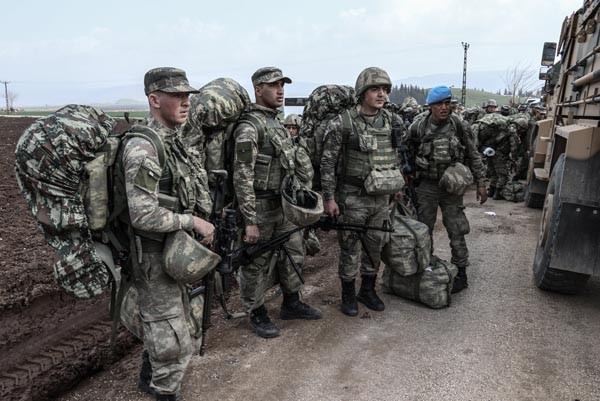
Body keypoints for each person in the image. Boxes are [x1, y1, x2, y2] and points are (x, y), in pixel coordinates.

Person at [122, 67, 215, 401]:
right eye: (177, 95)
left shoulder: (175, 142)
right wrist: (191, 222)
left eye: (187, 95)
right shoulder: (143, 149)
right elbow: (142, 214)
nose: (185, 102)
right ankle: (164, 392)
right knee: (174, 347)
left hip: (174, 253)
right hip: (152, 257)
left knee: (170, 328)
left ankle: (149, 379)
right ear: (154, 99)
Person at [233, 66, 321, 338]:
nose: (280, 90)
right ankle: (257, 312)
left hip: (282, 205)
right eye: (273, 85)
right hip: (259, 207)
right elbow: (242, 176)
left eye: (282, 84)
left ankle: (291, 303)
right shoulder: (249, 127)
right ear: (258, 89)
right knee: (255, 263)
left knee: (293, 252)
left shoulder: (277, 124)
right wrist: (250, 221)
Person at [321, 67, 404, 316]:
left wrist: (397, 187)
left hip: (381, 198)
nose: (381, 95)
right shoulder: (343, 123)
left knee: (375, 245)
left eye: (385, 90)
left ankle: (367, 289)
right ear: (362, 92)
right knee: (350, 247)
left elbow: (395, 156)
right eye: (375, 89)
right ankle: (348, 293)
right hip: (352, 196)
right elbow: (328, 163)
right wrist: (329, 198)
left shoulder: (392, 121)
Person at [406, 86, 487, 293]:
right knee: (424, 230)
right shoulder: (418, 127)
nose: (444, 107)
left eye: (447, 103)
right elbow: (406, 154)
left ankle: (461, 272)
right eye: (439, 104)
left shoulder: (459, 125)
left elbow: (473, 154)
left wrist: (481, 183)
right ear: (430, 106)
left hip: (452, 187)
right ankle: (427, 267)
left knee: (457, 229)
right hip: (426, 186)